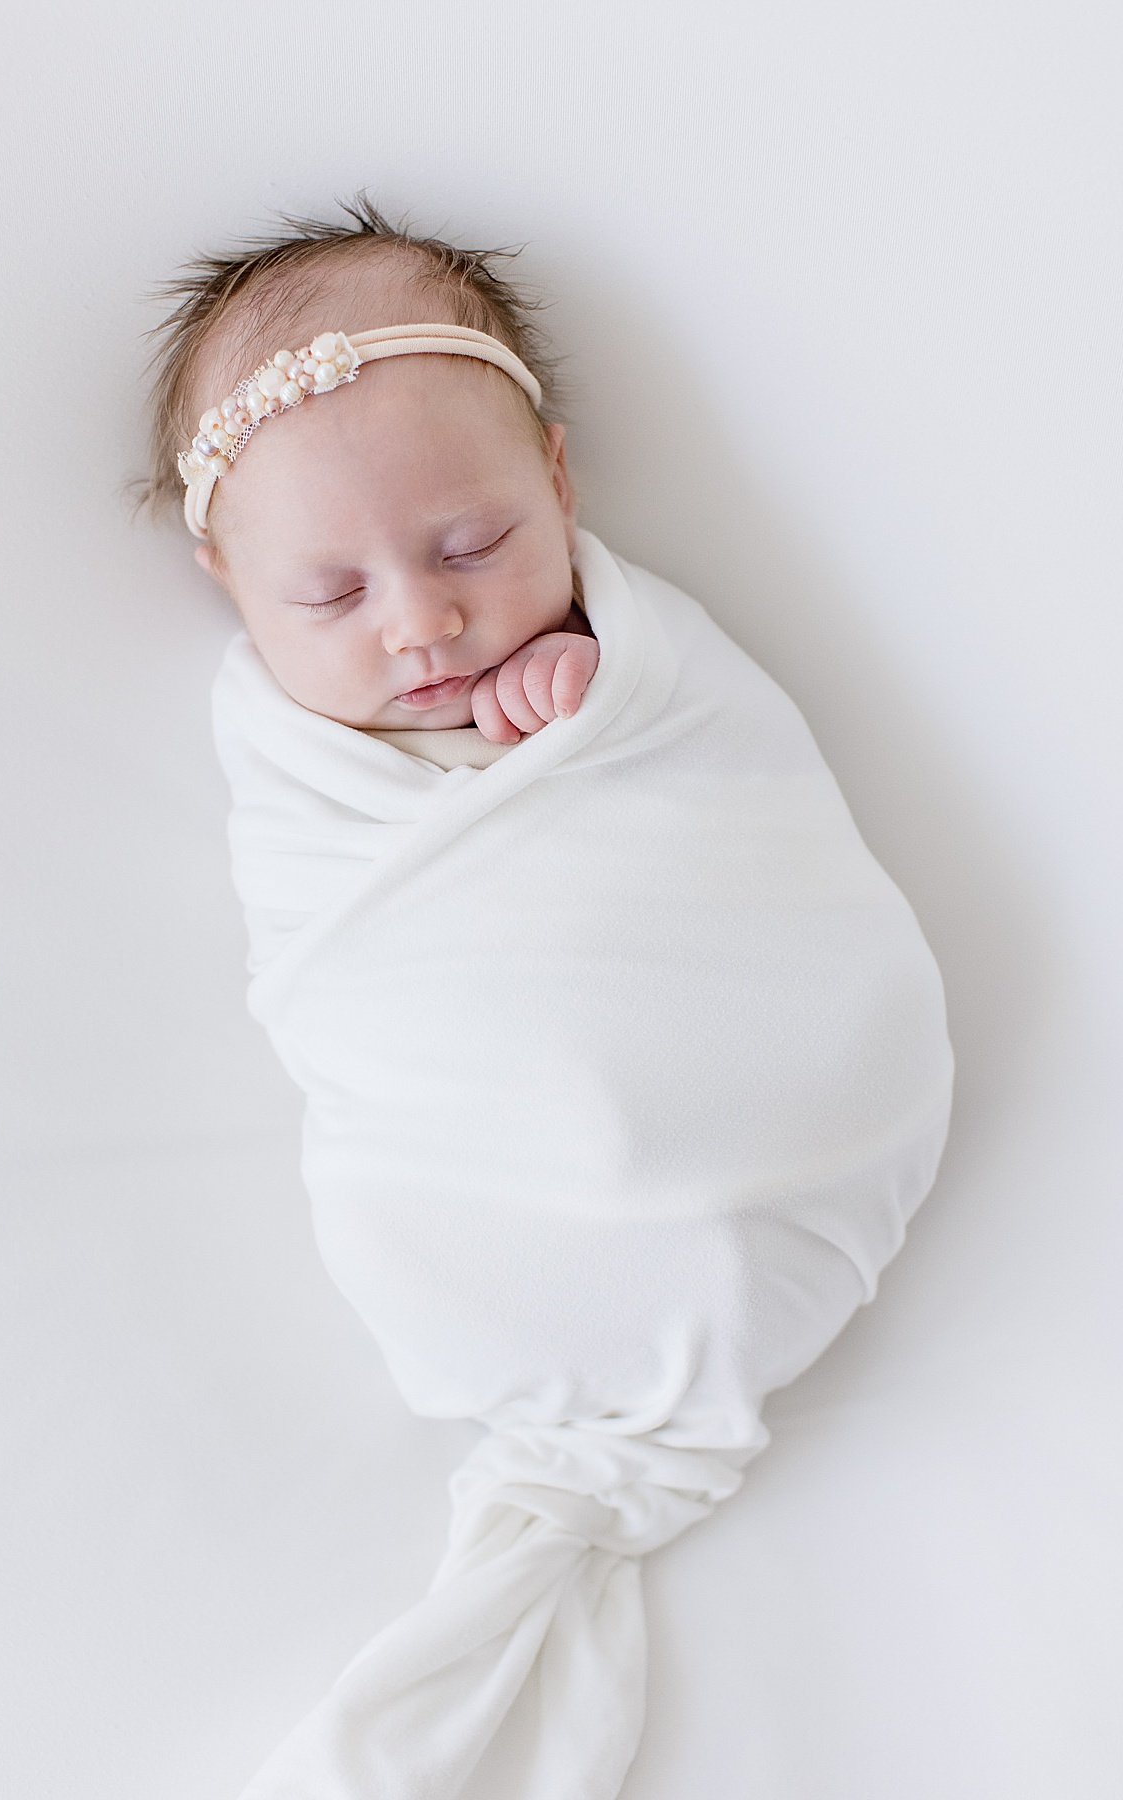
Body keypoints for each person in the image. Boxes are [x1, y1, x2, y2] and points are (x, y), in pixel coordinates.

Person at [130, 192, 955, 1800]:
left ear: (559, 481)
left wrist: (582, 715)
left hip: (786, 1104)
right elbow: (348, 946)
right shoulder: (293, 763)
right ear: (229, 580)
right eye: (331, 596)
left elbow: (718, 807)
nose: (423, 622)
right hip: (490, 1179)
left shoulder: (641, 660)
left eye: (474, 545)